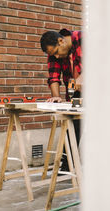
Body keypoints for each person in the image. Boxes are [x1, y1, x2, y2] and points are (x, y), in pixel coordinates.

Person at [40, 28, 82, 173]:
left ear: (61, 40)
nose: (56, 57)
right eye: (53, 55)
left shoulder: (83, 38)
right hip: (79, 90)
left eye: (56, 52)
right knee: (72, 123)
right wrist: (56, 96)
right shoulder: (53, 53)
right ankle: (66, 166)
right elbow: (54, 76)